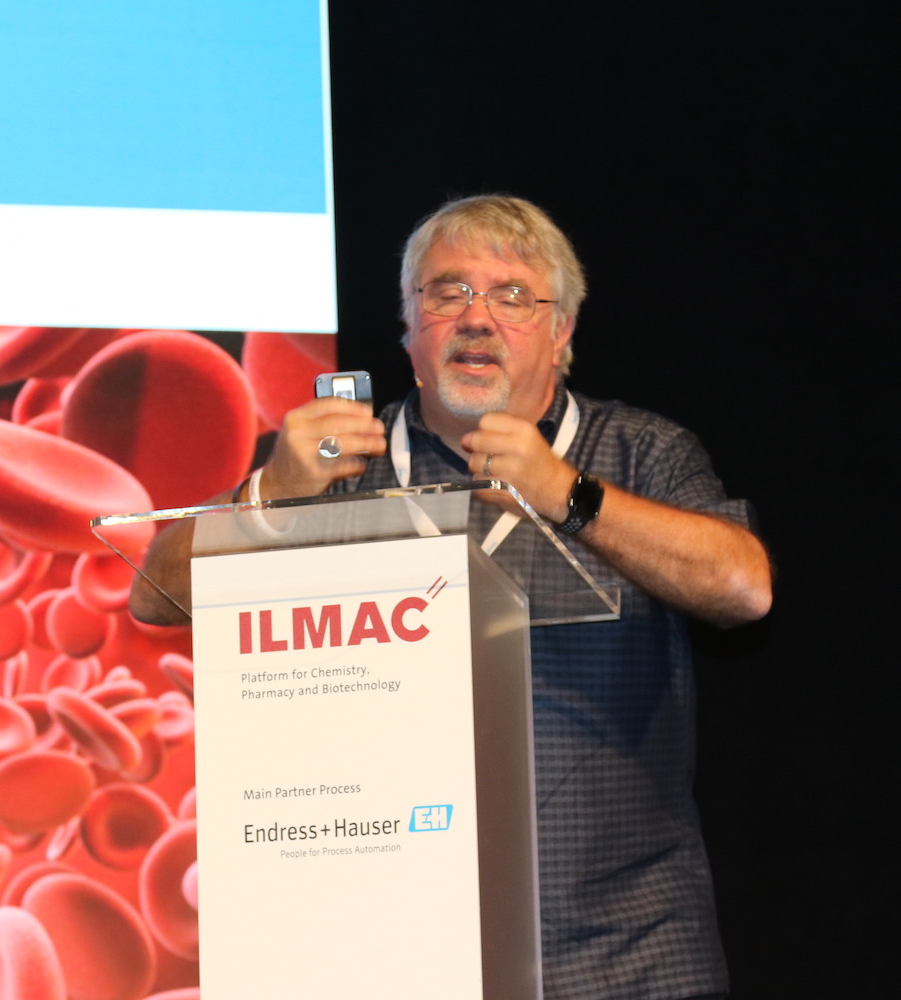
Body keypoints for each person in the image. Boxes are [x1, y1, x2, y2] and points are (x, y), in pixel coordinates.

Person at [131, 194, 772, 1000]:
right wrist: (272, 491)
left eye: (513, 296)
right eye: (447, 293)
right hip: (391, 958)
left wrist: (565, 492)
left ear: (561, 330)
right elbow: (155, 596)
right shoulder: (341, 463)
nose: (476, 317)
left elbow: (744, 588)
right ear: (409, 328)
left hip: (621, 960)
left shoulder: (639, 451)